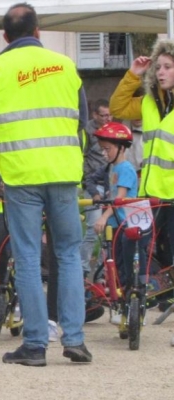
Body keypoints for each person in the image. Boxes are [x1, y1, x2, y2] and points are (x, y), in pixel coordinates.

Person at [0, 2, 92, 366]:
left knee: (29, 257)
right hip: (63, 172)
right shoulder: (65, 65)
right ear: (38, 31)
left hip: (21, 173)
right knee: (68, 254)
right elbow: (82, 119)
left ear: (5, 36)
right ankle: (75, 339)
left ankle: (35, 344)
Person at [109, 42, 174, 309]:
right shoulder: (149, 101)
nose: (161, 72)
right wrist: (132, 75)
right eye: (158, 67)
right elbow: (117, 107)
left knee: (169, 251)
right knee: (131, 242)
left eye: (168, 67)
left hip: (171, 196)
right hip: (148, 194)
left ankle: (166, 296)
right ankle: (137, 295)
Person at [87, 123, 149, 288]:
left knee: (124, 263)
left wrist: (103, 217)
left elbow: (119, 199)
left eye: (107, 149)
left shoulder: (126, 169)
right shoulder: (112, 167)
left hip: (124, 223)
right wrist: (97, 196)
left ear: (121, 148)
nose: (104, 153)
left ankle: (131, 290)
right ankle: (119, 291)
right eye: (102, 149)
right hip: (114, 223)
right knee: (114, 261)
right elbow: (98, 186)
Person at [80, 99, 111, 278]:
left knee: (108, 232)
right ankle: (83, 269)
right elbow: (82, 157)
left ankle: (102, 271)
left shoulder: (112, 130)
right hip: (93, 184)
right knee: (93, 228)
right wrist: (90, 185)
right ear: (94, 115)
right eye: (103, 115)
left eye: (109, 115)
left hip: (109, 185)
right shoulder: (87, 131)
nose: (107, 118)